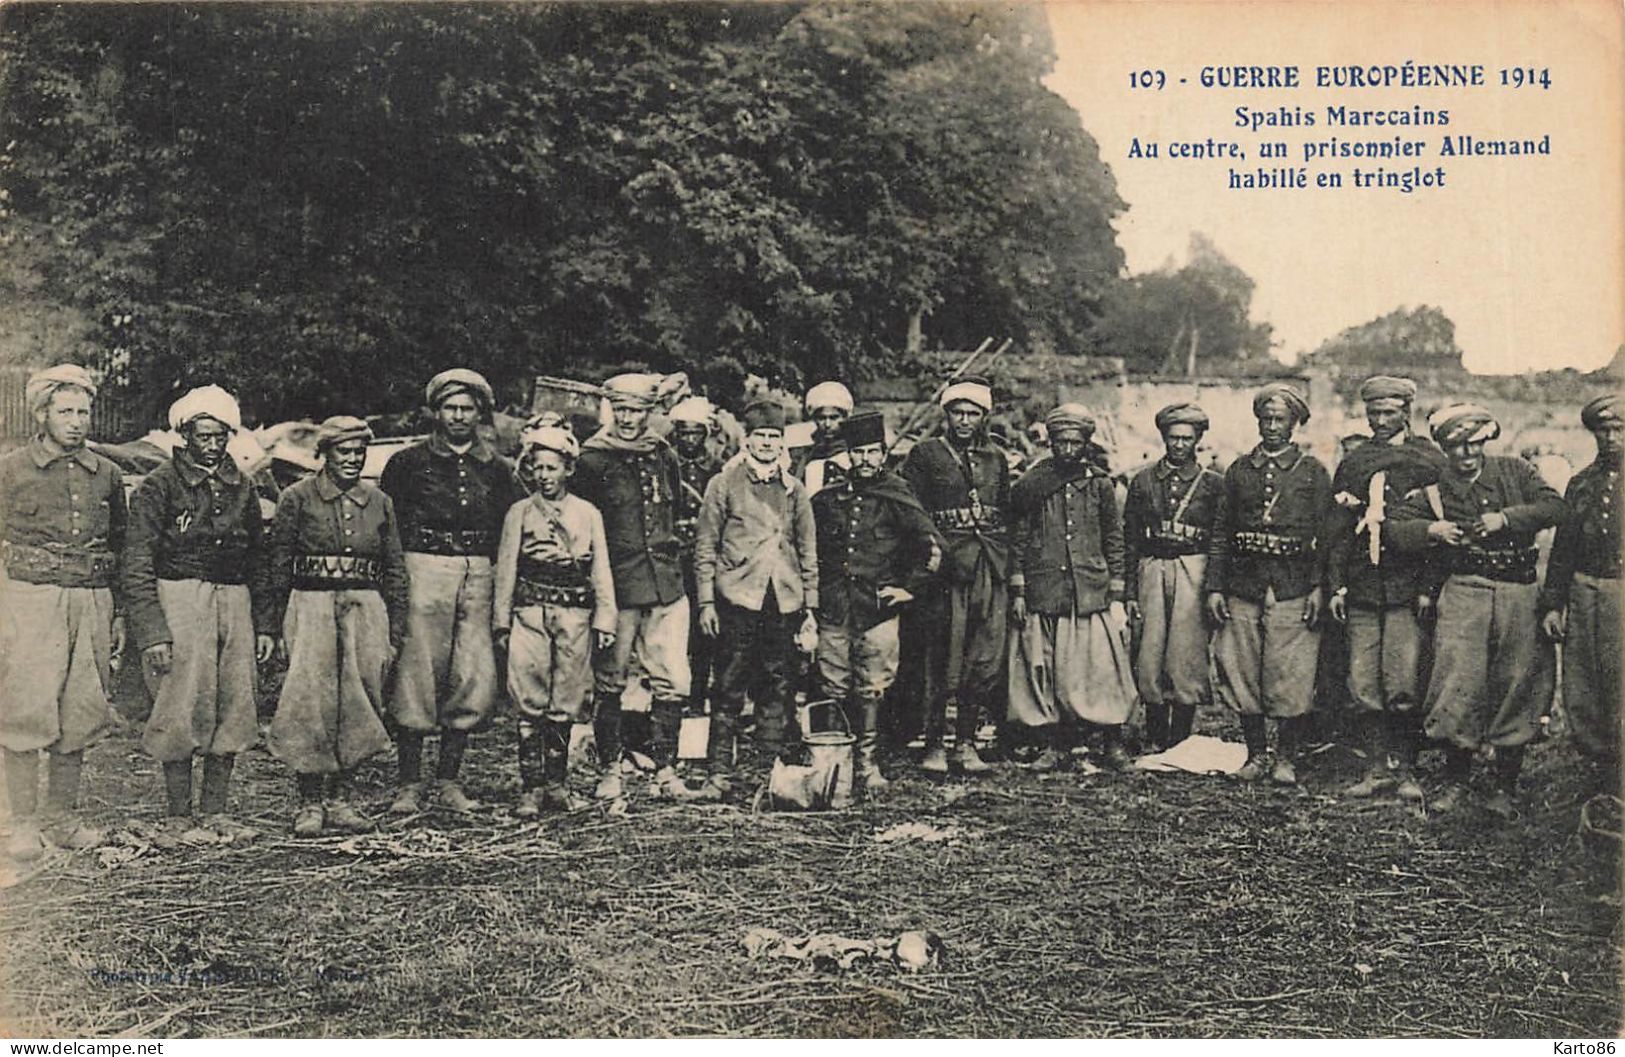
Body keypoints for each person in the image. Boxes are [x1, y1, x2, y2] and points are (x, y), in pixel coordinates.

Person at [1389, 404, 1565, 815]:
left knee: (1518, 682)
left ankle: (1504, 787)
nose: (1467, 454)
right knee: (1457, 684)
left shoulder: (1515, 472)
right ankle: (1456, 781)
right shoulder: (1436, 490)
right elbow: (1396, 527)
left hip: (1519, 591)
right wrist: (1431, 529)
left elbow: (1556, 507)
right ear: (1444, 449)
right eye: (1456, 447)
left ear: (1486, 442)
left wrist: (1506, 519)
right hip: (1465, 591)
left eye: (1474, 444)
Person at [122, 386, 276, 845]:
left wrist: (264, 622)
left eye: (219, 436)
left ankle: (216, 810)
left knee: (232, 699)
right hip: (181, 597)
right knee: (180, 698)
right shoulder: (159, 486)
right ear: (184, 434)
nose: (210, 445)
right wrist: (152, 631)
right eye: (200, 435)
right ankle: (177, 813)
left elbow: (259, 559)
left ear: (230, 436)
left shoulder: (243, 487)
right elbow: (137, 560)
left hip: (234, 599)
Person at [0, 365, 126, 860]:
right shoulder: (12, 470)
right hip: (30, 600)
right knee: (27, 709)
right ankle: (24, 823)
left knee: (81, 709)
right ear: (42, 414)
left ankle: (63, 818)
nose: (76, 422)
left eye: (83, 412)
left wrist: (116, 614)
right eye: (65, 411)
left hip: (90, 599)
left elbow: (121, 544)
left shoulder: (108, 474)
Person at [381, 369, 518, 816]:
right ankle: (408, 783)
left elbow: (508, 528)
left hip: (479, 572)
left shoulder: (498, 470)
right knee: (417, 673)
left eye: (467, 408)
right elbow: (390, 527)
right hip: (424, 569)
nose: (458, 416)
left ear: (481, 413)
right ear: (435, 412)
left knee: (471, 674)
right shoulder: (407, 463)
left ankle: (449, 780)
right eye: (450, 407)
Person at [267, 416, 410, 836]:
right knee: (310, 698)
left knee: (360, 697)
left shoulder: (379, 501)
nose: (351, 460)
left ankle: (341, 798)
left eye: (357, 452)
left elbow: (395, 569)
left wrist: (394, 630)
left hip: (366, 608)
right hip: (310, 606)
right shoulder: (297, 497)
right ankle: (309, 800)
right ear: (324, 455)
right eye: (342, 452)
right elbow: (278, 564)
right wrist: (272, 626)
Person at [1325, 376, 1447, 800]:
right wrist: (1337, 586)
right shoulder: (1356, 462)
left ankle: (1407, 770)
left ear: (1406, 413)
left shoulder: (1429, 460)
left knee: (1403, 682)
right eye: (1373, 413)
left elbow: (1439, 532)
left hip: (1406, 588)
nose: (1379, 421)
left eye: (1389, 413)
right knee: (1363, 682)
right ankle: (1376, 768)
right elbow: (1338, 531)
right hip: (1362, 587)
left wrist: (1429, 589)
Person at [573, 374, 694, 800]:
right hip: (617, 587)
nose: (628, 419)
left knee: (673, 680)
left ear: (649, 413)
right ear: (610, 410)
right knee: (610, 681)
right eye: (621, 410)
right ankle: (610, 771)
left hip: (665, 584)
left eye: (637, 411)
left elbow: (673, 510)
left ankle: (666, 771)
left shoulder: (663, 455)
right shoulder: (590, 461)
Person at [1205, 382, 1331, 785]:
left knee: (1291, 672)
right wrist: (1215, 587)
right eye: (1266, 419)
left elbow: (1326, 537)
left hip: (1292, 582)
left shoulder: (1312, 471)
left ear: (1294, 424)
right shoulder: (1240, 470)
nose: (1272, 427)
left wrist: (1318, 586)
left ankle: (1286, 758)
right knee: (1243, 668)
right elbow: (1221, 532)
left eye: (1281, 419)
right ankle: (1256, 754)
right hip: (1245, 583)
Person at [811, 410, 942, 794]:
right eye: (858, 453)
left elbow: (932, 549)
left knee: (872, 686)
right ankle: (834, 765)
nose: (865, 460)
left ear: (884, 454)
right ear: (847, 456)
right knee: (832, 682)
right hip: (834, 605)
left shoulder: (897, 494)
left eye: (873, 452)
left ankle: (867, 764)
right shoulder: (827, 499)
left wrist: (908, 588)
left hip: (878, 609)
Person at [693, 400, 819, 798]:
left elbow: (807, 550)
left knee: (777, 686)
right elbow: (705, 547)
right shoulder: (724, 483)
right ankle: (718, 775)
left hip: (782, 602)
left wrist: (810, 608)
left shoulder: (794, 489)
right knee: (728, 684)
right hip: (736, 599)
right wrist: (706, 602)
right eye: (760, 436)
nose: (767, 444)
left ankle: (767, 774)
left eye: (774, 437)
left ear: (782, 443)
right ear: (747, 440)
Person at [493, 426, 616, 816]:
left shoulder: (587, 514)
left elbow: (601, 570)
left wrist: (606, 619)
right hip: (529, 613)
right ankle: (530, 788)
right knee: (529, 696)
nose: (545, 475)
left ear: (568, 469)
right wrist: (501, 621)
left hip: (575, 615)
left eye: (553, 467)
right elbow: (507, 568)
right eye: (538, 468)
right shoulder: (520, 512)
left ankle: (556, 785)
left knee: (567, 696)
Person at [1008, 405, 1136, 770]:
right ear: (1050, 443)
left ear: (1086, 444)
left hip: (1089, 592)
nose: (1067, 450)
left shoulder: (1099, 485)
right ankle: (1056, 745)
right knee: (1050, 672)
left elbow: (1114, 537)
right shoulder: (1033, 484)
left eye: (1075, 443)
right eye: (1060, 442)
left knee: (1101, 670)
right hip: (1046, 590)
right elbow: (1019, 537)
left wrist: (1116, 592)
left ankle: (1112, 742)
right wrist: (1018, 589)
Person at [900, 376, 1012, 775]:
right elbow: (911, 512)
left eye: (973, 414)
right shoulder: (925, 454)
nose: (964, 420)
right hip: (945, 569)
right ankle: (933, 744)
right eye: (957, 412)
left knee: (981, 656)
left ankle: (965, 742)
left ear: (984, 417)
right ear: (945, 415)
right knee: (939, 655)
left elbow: (1006, 511)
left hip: (988, 565)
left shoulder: (996, 457)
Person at [1122, 402, 1224, 753]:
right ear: (1163, 437)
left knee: (1186, 651)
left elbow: (1219, 540)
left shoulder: (1212, 484)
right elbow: (1130, 537)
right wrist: (1130, 591)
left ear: (1197, 439)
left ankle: (1180, 736)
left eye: (1186, 438)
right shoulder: (1143, 480)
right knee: (1149, 649)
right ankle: (1154, 733)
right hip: (1151, 565)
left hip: (1192, 568)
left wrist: (1213, 587)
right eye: (1173, 437)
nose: (1179, 445)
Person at [1541, 395, 1624, 790]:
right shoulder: (1582, 483)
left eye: (1619, 430)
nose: (1611, 438)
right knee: (1583, 680)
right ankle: (1598, 768)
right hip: (1584, 590)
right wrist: (1553, 605)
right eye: (1604, 431)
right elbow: (1563, 549)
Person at [668, 396, 723, 718]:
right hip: (673, 557)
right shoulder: (665, 464)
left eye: (696, 433)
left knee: (704, 632)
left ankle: (698, 696)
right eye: (683, 433)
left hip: (704, 558)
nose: (689, 440)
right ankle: (676, 693)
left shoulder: (716, 468)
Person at [792, 381, 852, 493]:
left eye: (834, 418)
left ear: (845, 418)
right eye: (822, 418)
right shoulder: (805, 456)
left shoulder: (854, 453)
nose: (827, 424)